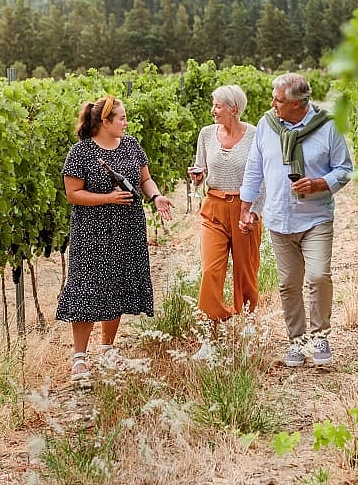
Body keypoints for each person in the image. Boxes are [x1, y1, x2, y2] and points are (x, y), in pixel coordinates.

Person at [56, 94, 174, 382]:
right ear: (105, 122)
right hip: (92, 232)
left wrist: (156, 196)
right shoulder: (81, 152)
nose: (126, 123)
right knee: (86, 288)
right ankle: (79, 358)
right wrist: (107, 198)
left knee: (117, 285)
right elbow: (73, 194)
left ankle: (107, 349)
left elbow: (145, 179)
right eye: (121, 118)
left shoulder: (131, 145)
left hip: (127, 228)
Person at [238, 73, 353, 367]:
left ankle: (320, 336)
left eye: (278, 100)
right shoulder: (267, 125)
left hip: (315, 217)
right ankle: (297, 342)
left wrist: (318, 184)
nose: (272, 104)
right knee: (289, 284)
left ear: (298, 104)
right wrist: (246, 208)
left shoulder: (327, 127)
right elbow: (254, 169)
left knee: (318, 276)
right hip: (279, 218)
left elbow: (344, 169)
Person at [188, 84, 264, 325]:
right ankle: (212, 323)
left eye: (217, 106)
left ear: (233, 109)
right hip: (214, 208)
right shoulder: (206, 134)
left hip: (244, 208)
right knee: (210, 269)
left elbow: (262, 178)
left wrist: (253, 212)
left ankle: (247, 321)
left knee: (246, 271)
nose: (213, 110)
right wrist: (197, 178)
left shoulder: (255, 135)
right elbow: (201, 171)